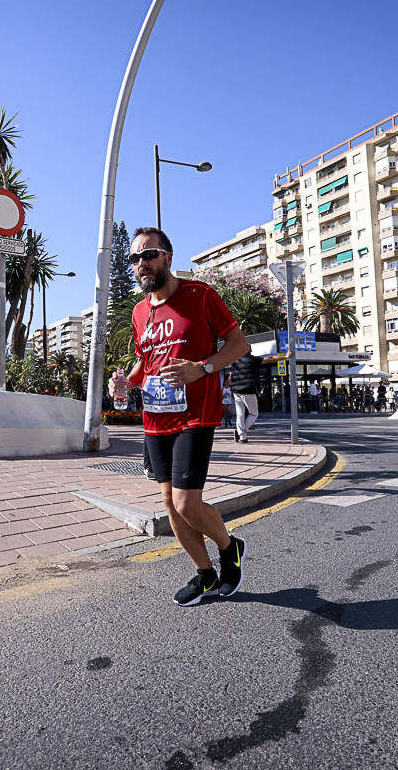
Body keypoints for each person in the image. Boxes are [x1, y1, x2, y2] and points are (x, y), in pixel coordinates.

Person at [112, 227, 251, 606]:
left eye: (149, 254)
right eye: (135, 259)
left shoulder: (200, 295)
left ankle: (230, 547)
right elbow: (146, 362)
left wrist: (203, 369)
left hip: (195, 416)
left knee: (188, 502)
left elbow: (239, 345)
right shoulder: (140, 312)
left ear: (168, 257)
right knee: (170, 505)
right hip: (156, 419)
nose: (142, 263)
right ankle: (205, 575)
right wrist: (125, 382)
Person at [227, 348, 263, 442]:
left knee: (240, 414)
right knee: (254, 413)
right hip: (248, 390)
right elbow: (270, 359)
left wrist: (230, 387)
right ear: (249, 350)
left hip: (236, 391)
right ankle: (242, 432)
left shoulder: (235, 361)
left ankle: (242, 436)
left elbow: (230, 376)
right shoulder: (252, 359)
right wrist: (285, 356)